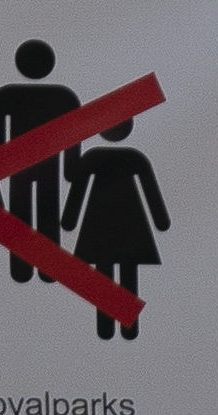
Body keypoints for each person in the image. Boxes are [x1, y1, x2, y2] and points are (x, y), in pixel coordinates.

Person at [0, 39, 79, 283]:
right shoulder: (63, 97)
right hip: (38, 167)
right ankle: (39, 268)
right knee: (43, 211)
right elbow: (73, 140)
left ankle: (24, 267)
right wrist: (71, 169)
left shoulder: (6, 96)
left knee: (26, 212)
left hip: (23, 167)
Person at [63, 134, 172, 339]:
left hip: (104, 222)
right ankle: (122, 325)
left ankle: (113, 325)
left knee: (108, 273)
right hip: (128, 222)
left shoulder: (95, 158)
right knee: (123, 272)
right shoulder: (133, 158)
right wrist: (160, 220)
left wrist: (69, 219)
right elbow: (150, 191)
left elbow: (78, 190)